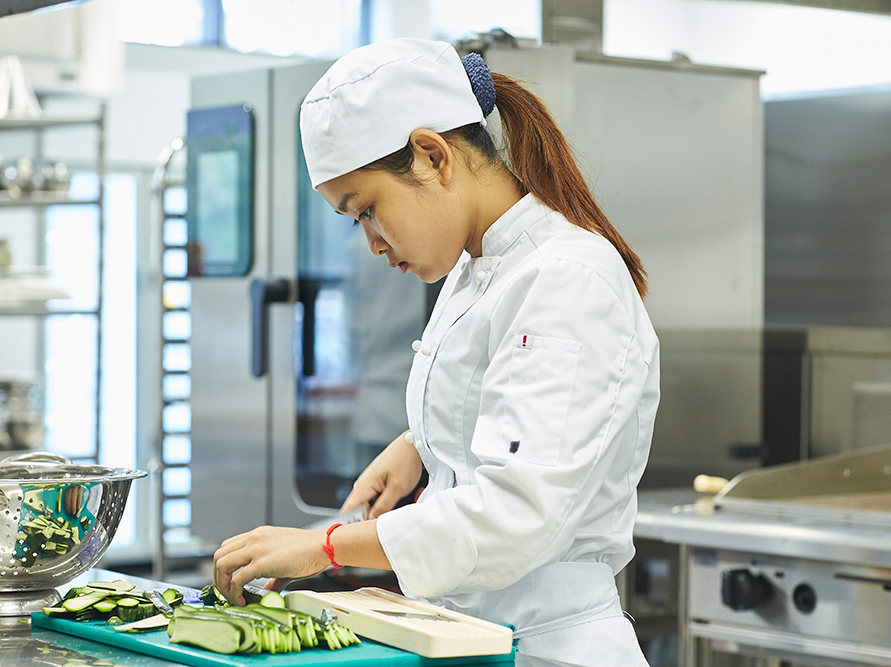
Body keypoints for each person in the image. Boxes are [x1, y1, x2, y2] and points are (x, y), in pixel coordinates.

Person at [213, 38, 659, 665]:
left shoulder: (565, 277)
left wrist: (332, 546)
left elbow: (518, 514)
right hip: (467, 636)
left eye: (367, 210)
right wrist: (418, 444)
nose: (371, 242)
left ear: (431, 156)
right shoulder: (476, 266)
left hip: (547, 644)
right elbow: (502, 394)